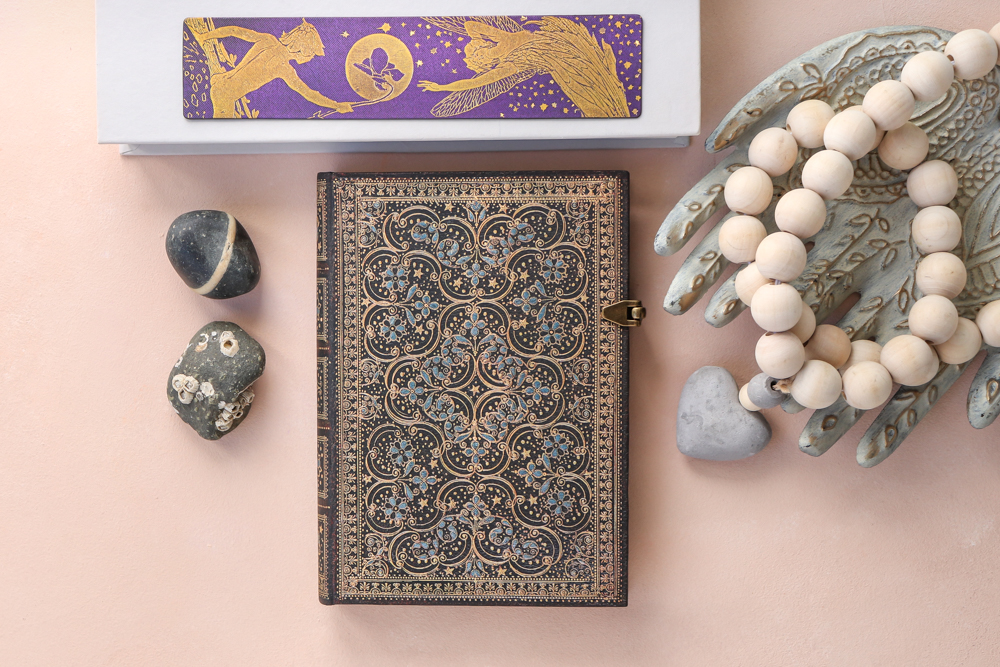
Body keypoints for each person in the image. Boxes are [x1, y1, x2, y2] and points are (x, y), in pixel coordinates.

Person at [417, 17, 630, 118]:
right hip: (566, 64)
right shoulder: (510, 65)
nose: (479, 48)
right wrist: (441, 88)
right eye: (478, 55)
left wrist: (475, 37)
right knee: (596, 94)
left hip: (565, 40)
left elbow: (470, 25)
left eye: (476, 48)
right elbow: (474, 83)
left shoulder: (503, 37)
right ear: (487, 64)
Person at [193, 20, 352, 118]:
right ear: (302, 50)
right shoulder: (284, 68)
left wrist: (204, 36)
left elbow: (234, 31)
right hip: (225, 95)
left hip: (221, 81)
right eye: (312, 54)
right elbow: (309, 94)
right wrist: (337, 105)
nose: (311, 58)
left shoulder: (268, 40)